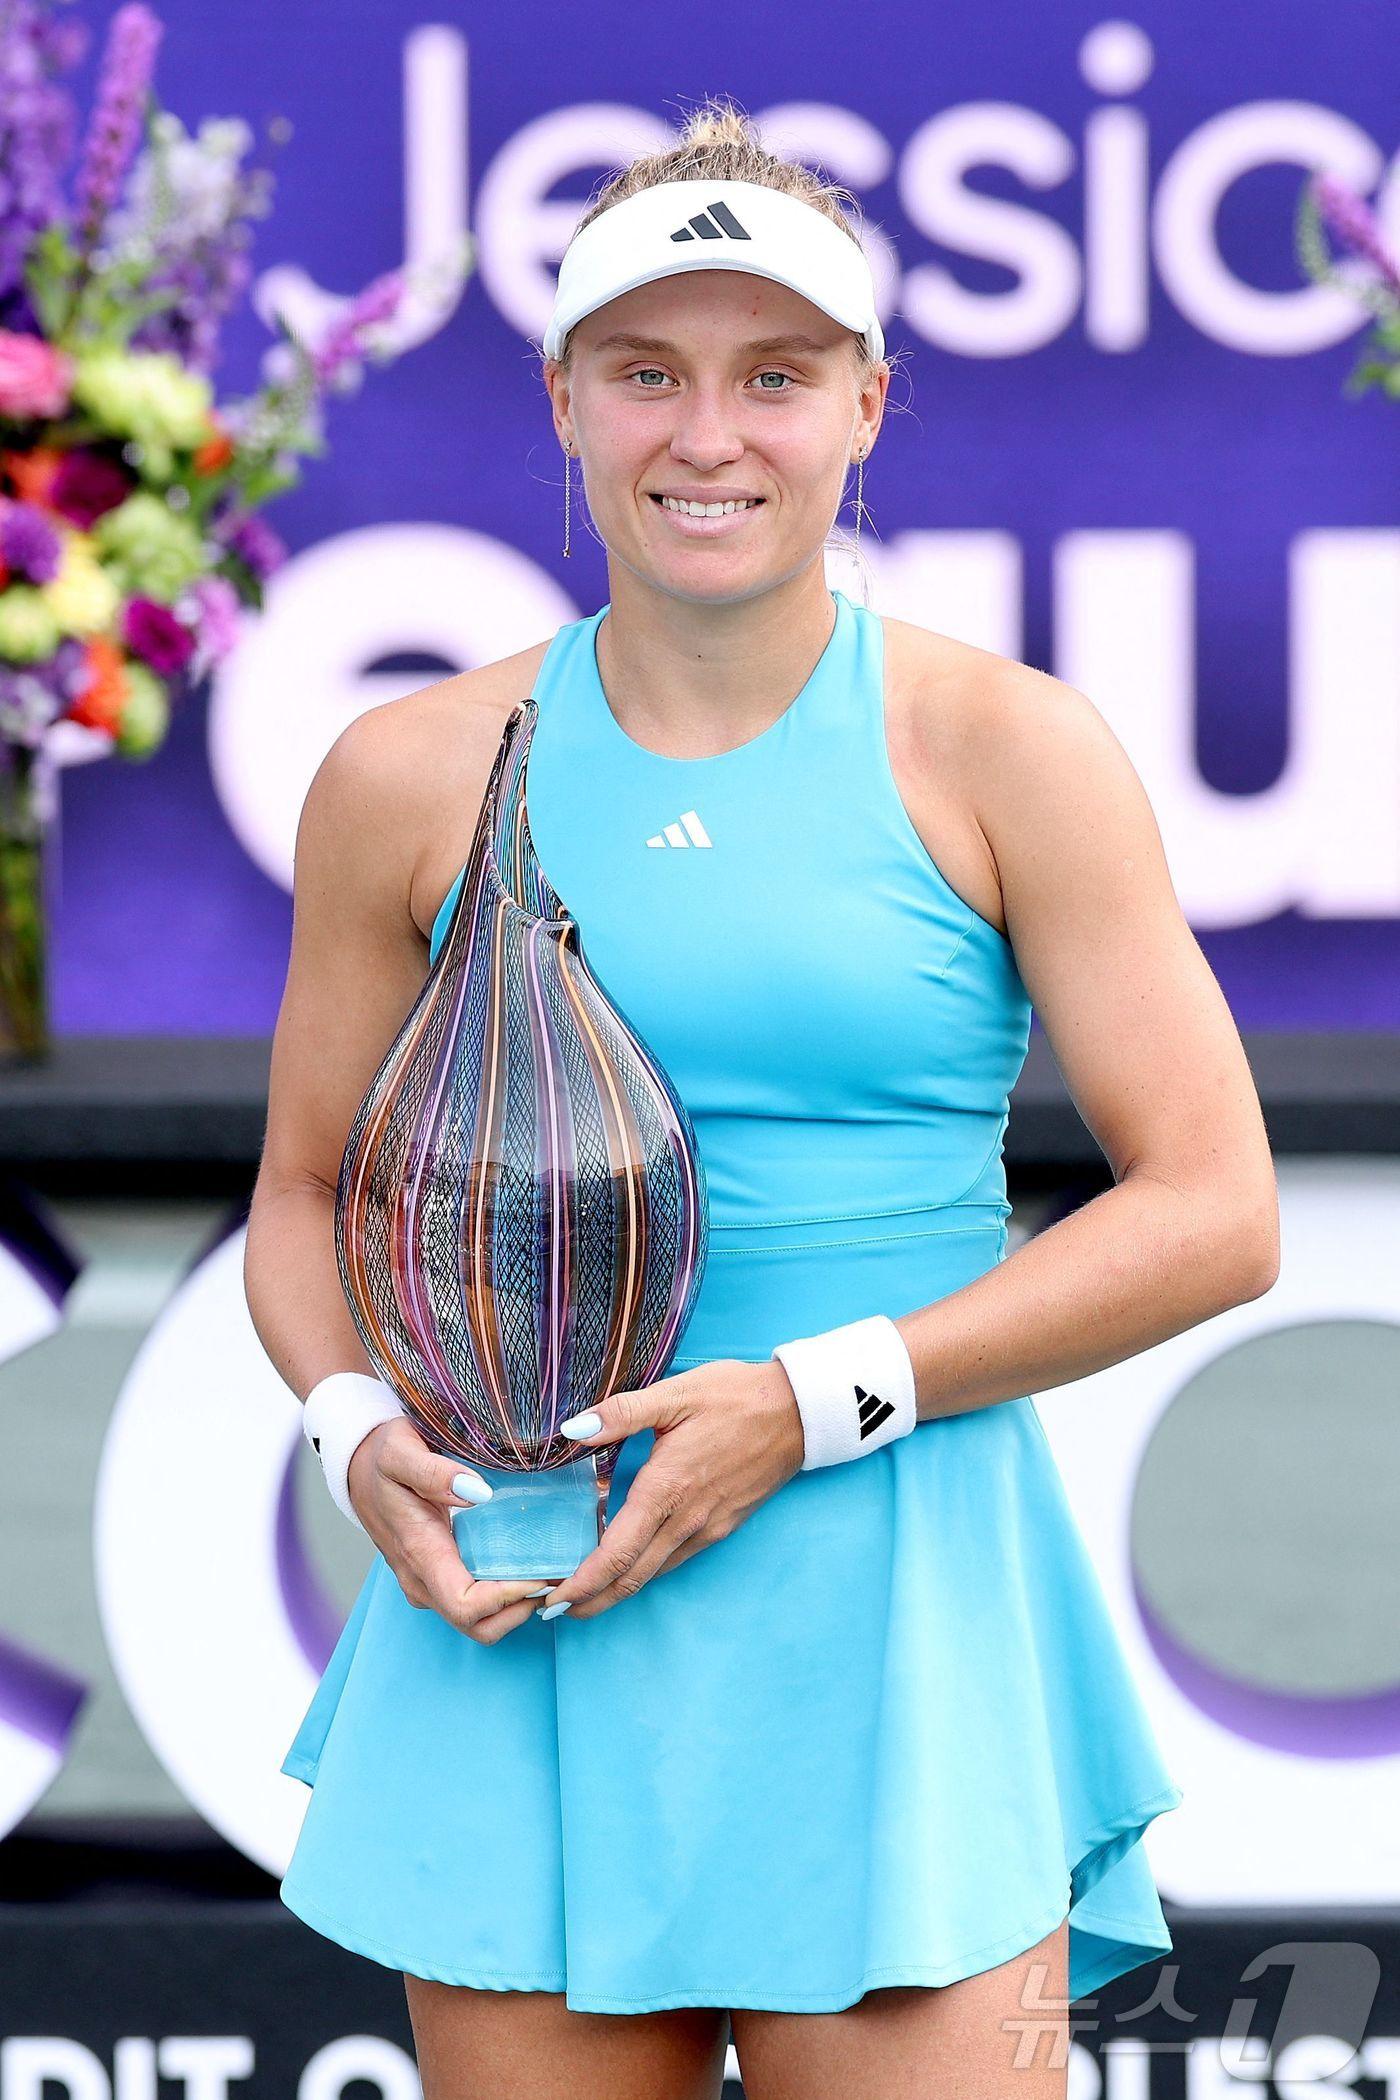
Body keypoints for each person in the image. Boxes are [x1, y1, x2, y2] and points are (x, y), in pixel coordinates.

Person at [244, 97, 1278, 2100]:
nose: (706, 438)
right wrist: (353, 1420)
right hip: (522, 1602)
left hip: (884, 1622)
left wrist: (810, 1404)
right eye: (646, 373)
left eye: (773, 377)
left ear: (867, 405)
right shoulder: (403, 773)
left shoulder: (1008, 749)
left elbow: (1211, 1210)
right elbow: (307, 1201)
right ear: (563, 402)